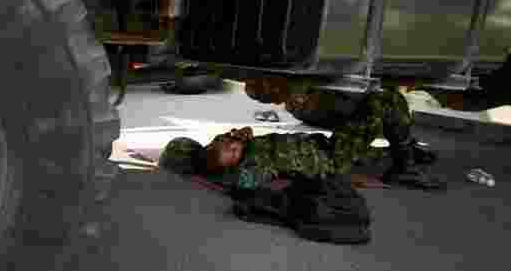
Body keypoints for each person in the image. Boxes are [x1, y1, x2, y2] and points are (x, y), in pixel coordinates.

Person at [160, 83, 444, 191]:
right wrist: (220, 166)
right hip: (333, 158)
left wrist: (240, 138)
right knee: (385, 101)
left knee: (390, 151)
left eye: (225, 143)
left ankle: (405, 156)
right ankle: (404, 168)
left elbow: (190, 148)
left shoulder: (230, 153)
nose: (229, 143)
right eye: (229, 150)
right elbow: (238, 183)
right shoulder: (248, 171)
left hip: (321, 146)